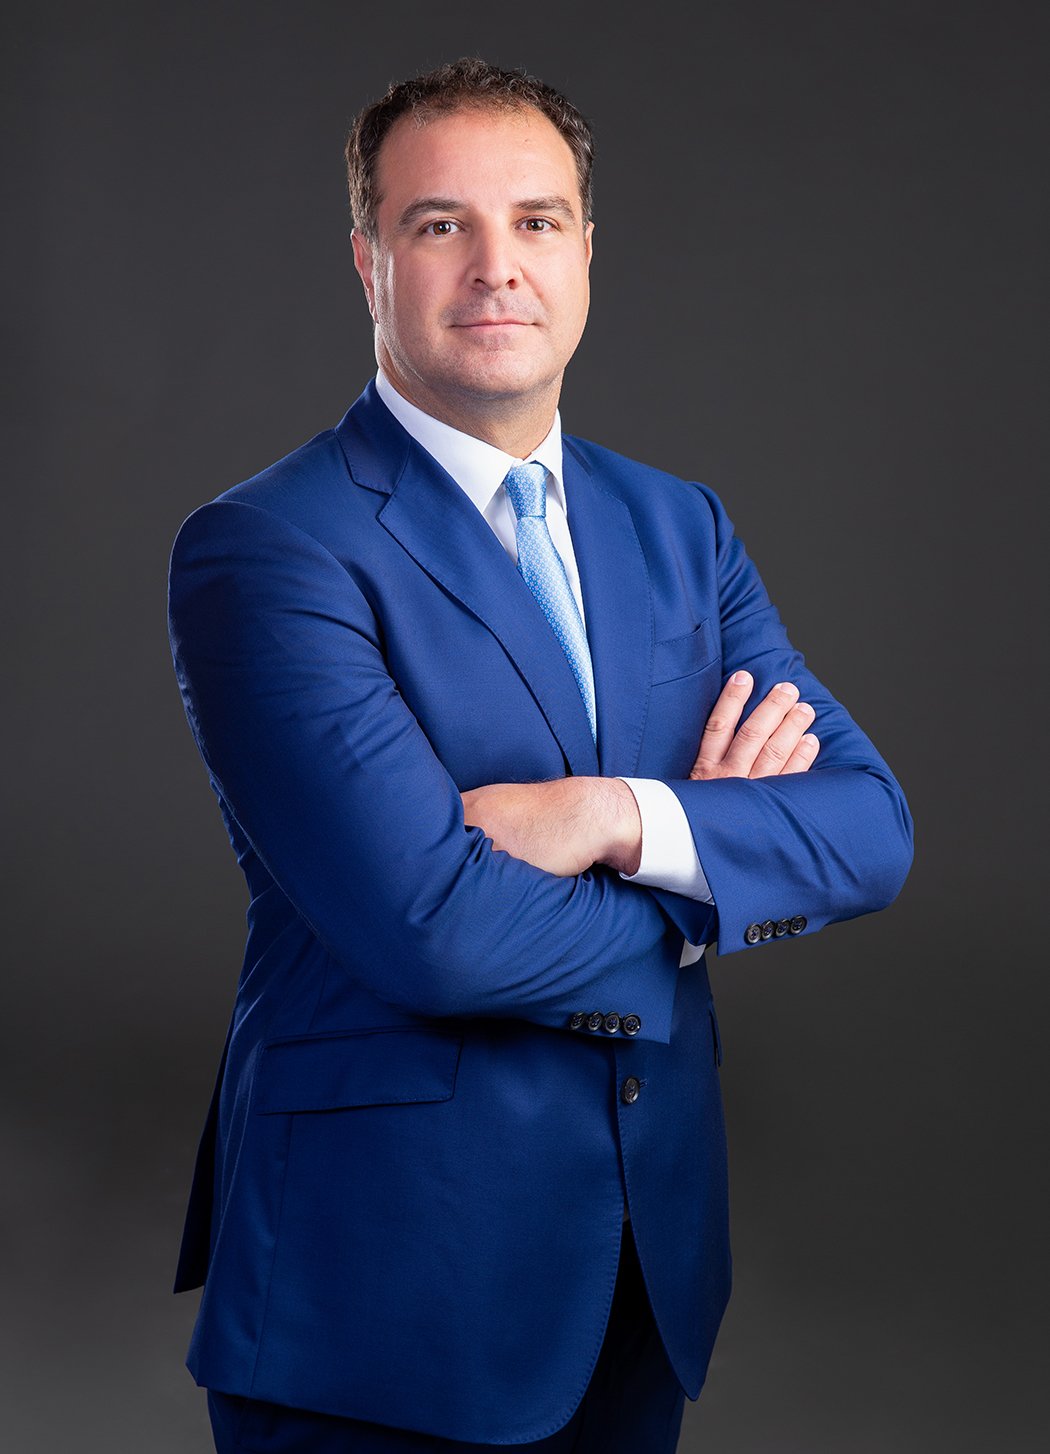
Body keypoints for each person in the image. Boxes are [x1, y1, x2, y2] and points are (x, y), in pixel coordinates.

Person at [168, 57, 913, 1454]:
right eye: (440, 223)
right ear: (369, 262)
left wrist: (611, 813)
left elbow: (870, 827)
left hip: (641, 1264)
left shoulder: (678, 525)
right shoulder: (268, 547)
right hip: (381, 1286)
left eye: (537, 220)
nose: (496, 265)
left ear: (584, 251)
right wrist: (708, 875)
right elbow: (434, 931)